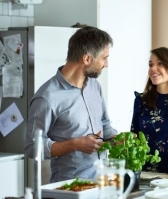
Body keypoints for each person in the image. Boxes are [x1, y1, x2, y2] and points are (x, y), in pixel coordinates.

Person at [24, 26, 118, 183]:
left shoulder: (94, 86)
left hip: (101, 182)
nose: (106, 64)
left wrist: (117, 138)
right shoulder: (47, 97)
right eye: (104, 58)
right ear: (87, 59)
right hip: (69, 186)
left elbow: (104, 124)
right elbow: (32, 147)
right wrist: (75, 144)